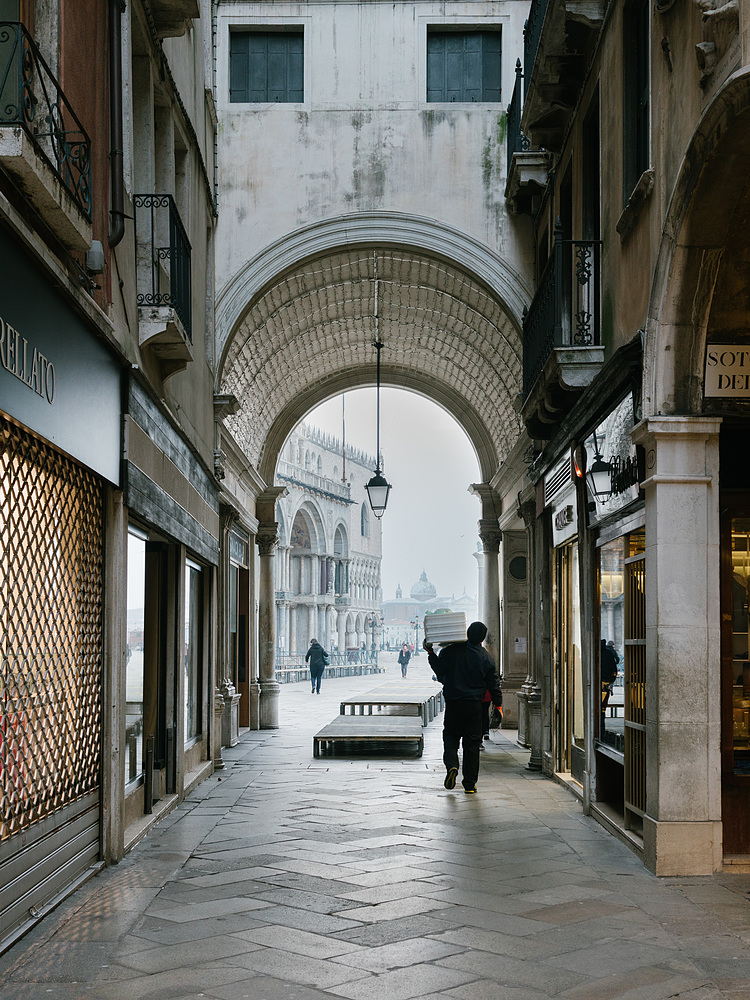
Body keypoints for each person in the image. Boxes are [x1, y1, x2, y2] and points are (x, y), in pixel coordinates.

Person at [424, 621, 502, 794]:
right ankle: (469, 784)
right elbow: (493, 684)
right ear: (482, 638)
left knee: (451, 736)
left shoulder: (450, 651)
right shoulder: (486, 657)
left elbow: (440, 673)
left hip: (453, 703)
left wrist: (430, 653)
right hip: (474, 706)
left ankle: (452, 765)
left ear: (467, 633)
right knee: (472, 744)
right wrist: (499, 705)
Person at [600, 638, 619, 729]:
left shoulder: (596, 653)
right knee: (603, 708)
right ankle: (602, 728)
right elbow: (614, 668)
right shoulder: (609, 653)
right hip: (606, 683)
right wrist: (611, 681)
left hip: (598, 684)